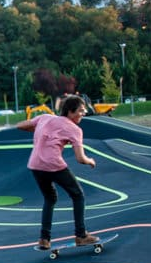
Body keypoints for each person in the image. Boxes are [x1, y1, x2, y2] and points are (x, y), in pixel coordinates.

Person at [17, 94, 99, 250]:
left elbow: (20, 125)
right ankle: (81, 236)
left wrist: (39, 130)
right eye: (80, 111)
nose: (83, 114)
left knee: (50, 198)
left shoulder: (45, 118)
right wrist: (90, 161)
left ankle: (44, 239)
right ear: (70, 111)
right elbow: (80, 158)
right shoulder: (75, 129)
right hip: (53, 164)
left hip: (35, 165)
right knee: (78, 195)